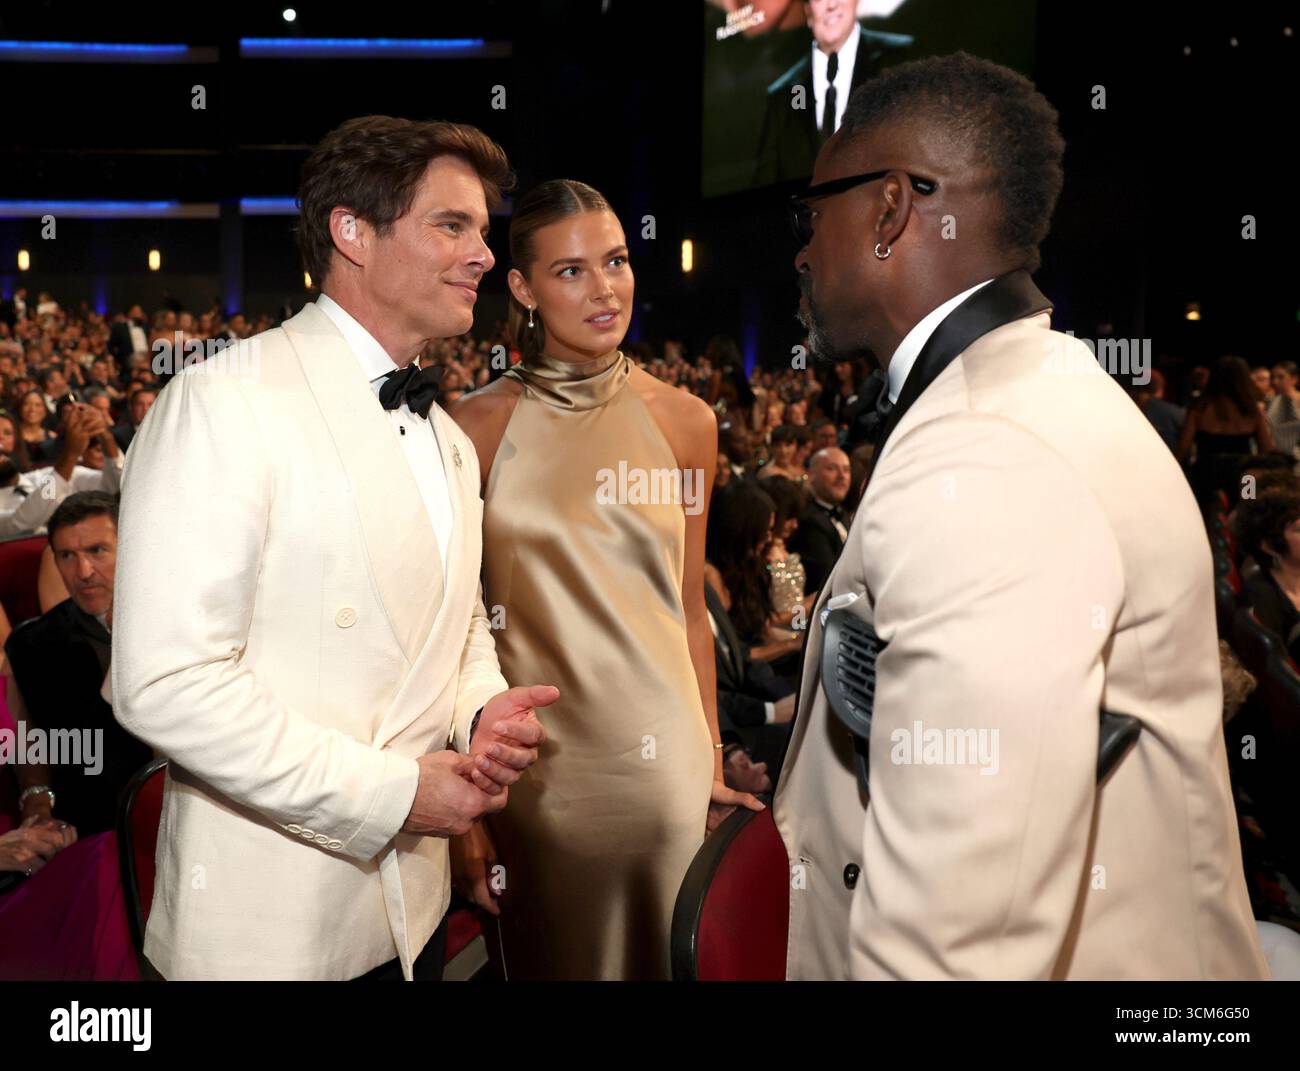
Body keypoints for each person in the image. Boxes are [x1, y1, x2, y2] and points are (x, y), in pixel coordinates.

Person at [774, 52, 1266, 979]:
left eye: (812, 213)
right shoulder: (1030, 392)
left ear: (889, 210)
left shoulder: (989, 451)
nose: (802, 248)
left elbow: (959, 944)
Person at [111, 116, 555, 982]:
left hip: (413, 916)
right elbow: (164, 683)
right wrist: (394, 794)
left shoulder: (451, 440)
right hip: (264, 936)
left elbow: (457, 622)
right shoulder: (223, 400)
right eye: (451, 225)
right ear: (352, 232)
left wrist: (480, 711)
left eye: (484, 232)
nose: (483, 257)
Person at [449, 178, 758, 980]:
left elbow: (690, 611)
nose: (604, 288)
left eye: (616, 261)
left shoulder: (685, 421)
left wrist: (712, 758)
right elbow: (447, 629)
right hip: (540, 787)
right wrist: (463, 817)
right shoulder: (471, 429)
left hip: (666, 777)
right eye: (572, 271)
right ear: (521, 288)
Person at [6, 493, 152, 836]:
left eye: (97, 551)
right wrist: (36, 796)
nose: (83, 572)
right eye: (67, 556)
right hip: (93, 823)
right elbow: (29, 736)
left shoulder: (184, 623)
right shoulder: (32, 645)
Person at [1177, 355, 1274, 509]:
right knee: (1247, 515)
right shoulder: (1251, 410)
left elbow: (1183, 449)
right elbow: (1267, 450)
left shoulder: (1200, 408)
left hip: (1207, 473)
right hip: (1245, 476)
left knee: (1205, 518)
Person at [787, 445, 850, 593]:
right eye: (832, 468)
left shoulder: (843, 513)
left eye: (846, 470)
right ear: (811, 474)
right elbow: (828, 578)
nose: (842, 476)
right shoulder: (809, 521)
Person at [1266, 361, 1300, 460]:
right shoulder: (1269, 402)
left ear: (1294, 378)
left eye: (1281, 377)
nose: (1275, 382)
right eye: (1272, 377)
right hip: (1277, 456)